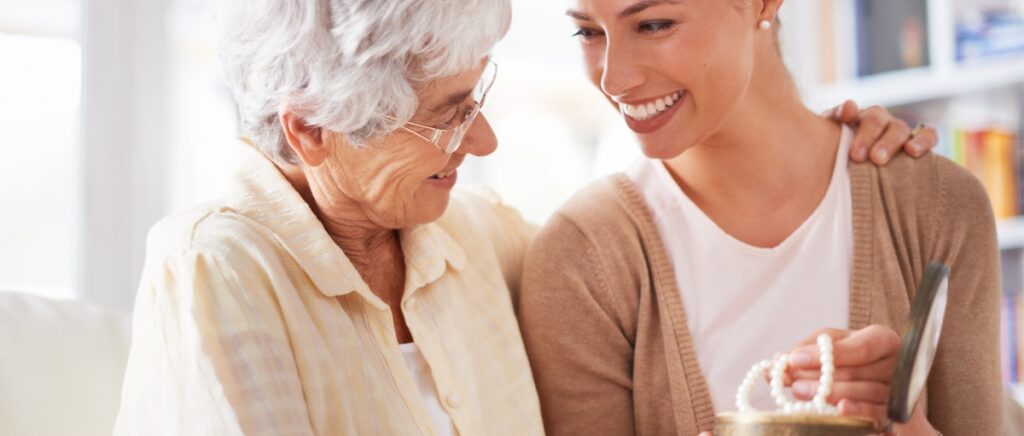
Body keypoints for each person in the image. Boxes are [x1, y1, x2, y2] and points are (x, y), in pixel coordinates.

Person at [112, 0, 939, 434]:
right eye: (445, 113)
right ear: (312, 129)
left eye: (476, 96)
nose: (484, 137)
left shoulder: (475, 236)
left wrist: (826, 154)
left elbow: (643, 297)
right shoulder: (215, 269)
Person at [518, 1, 1000, 435]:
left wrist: (907, 428)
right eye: (589, 32)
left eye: (653, 24)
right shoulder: (580, 259)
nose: (614, 79)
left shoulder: (935, 204)